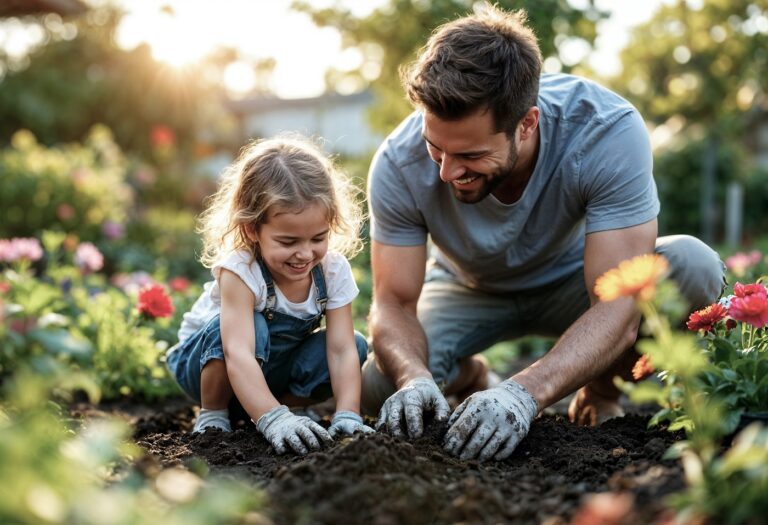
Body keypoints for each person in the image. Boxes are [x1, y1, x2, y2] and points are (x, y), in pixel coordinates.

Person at [360, 4, 725, 462]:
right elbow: (392, 303)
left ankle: (599, 388)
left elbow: (617, 301)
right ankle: (469, 375)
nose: (448, 171)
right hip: (466, 288)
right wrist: (414, 377)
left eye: (470, 154)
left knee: (693, 265)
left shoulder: (604, 130)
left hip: (574, 281)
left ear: (527, 123)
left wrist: (523, 394)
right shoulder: (398, 161)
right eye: (436, 147)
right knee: (376, 389)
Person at [167, 135, 373, 455]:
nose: (305, 254)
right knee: (255, 324)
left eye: (318, 238)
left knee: (357, 344)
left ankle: (283, 407)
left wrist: (348, 413)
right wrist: (271, 420)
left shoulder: (332, 270)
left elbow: (342, 348)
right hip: (208, 366)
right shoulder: (241, 271)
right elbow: (237, 352)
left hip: (269, 371)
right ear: (252, 230)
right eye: (289, 242)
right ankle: (215, 415)